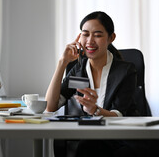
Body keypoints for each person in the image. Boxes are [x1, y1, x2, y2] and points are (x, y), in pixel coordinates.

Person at [45, 11, 151, 157]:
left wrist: (95, 110)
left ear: (111, 38)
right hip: (90, 139)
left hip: (121, 139)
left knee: (90, 147)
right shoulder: (79, 69)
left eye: (98, 35)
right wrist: (62, 63)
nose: (90, 41)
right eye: (85, 34)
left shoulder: (126, 71)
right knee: (89, 146)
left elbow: (118, 114)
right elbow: (51, 106)